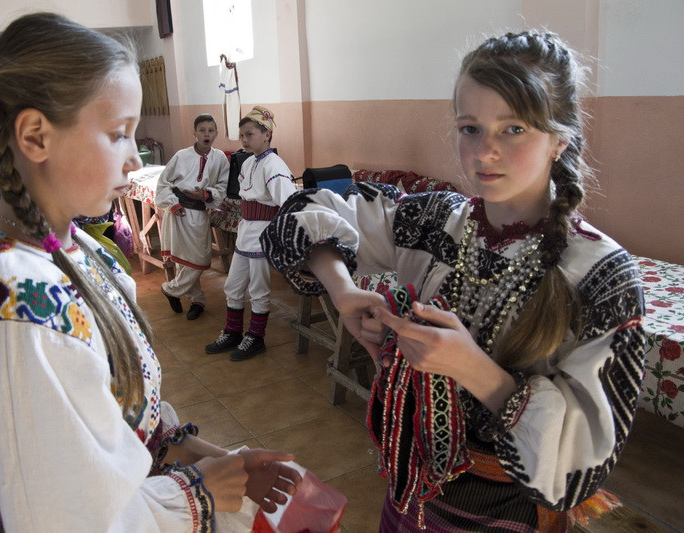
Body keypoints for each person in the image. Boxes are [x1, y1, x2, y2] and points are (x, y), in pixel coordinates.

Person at [261, 31, 645, 531]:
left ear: (560, 139)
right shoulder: (434, 221)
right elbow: (309, 211)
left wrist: (476, 371)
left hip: (505, 517)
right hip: (408, 496)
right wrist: (343, 290)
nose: (485, 151)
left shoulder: (601, 275)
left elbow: (576, 471)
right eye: (470, 128)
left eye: (514, 129)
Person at [0, 12, 300, 532]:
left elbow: (122, 421)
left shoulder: (72, 247)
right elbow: (57, 515)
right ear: (36, 135)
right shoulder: (18, 313)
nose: (134, 159)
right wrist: (198, 491)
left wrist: (219, 459)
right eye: (118, 134)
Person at [205, 106, 297, 361]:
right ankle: (233, 332)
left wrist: (280, 237)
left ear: (266, 133)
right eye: (242, 135)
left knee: (258, 288)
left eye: (249, 134)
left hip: (262, 234)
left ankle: (256, 337)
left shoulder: (274, 165)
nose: (244, 140)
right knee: (233, 285)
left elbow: (288, 203)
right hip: (246, 231)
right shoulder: (249, 162)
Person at [156, 114, 229, 320]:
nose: (207, 134)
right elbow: (163, 184)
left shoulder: (220, 158)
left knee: (199, 258)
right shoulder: (181, 155)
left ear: (216, 133)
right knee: (184, 259)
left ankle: (171, 289)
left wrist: (205, 195)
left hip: (199, 213)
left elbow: (221, 187)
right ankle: (196, 299)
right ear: (194, 132)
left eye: (211, 130)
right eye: (202, 130)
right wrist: (173, 203)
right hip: (178, 212)